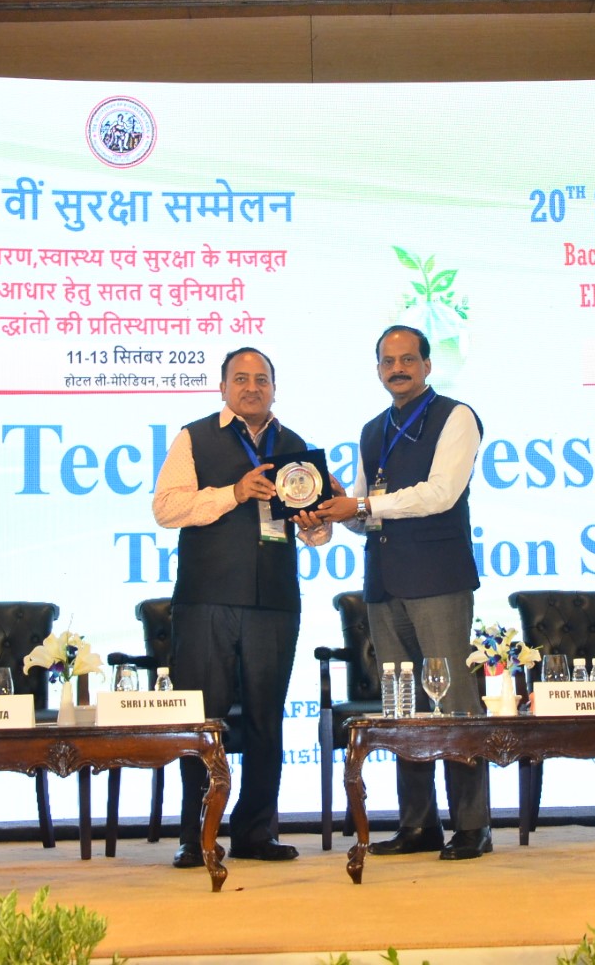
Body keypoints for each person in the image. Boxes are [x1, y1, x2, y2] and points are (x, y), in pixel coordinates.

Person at [313, 325, 491, 860]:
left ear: (428, 366)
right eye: (388, 361)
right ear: (377, 370)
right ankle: (418, 825)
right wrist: (336, 507)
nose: (398, 369)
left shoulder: (456, 417)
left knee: (454, 703)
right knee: (402, 706)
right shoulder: (373, 429)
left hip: (438, 580)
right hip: (383, 583)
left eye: (408, 359)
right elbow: (365, 513)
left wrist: (362, 506)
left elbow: (440, 494)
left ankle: (472, 826)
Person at [152, 346, 328, 867]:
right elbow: (166, 508)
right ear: (223, 387)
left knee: (266, 719)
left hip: (274, 602)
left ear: (274, 387)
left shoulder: (296, 447)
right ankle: (196, 835)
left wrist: (317, 521)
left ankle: (256, 832)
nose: (252, 387)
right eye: (241, 378)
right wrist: (233, 490)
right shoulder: (194, 436)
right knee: (202, 722)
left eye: (262, 379)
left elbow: (317, 536)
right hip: (206, 600)